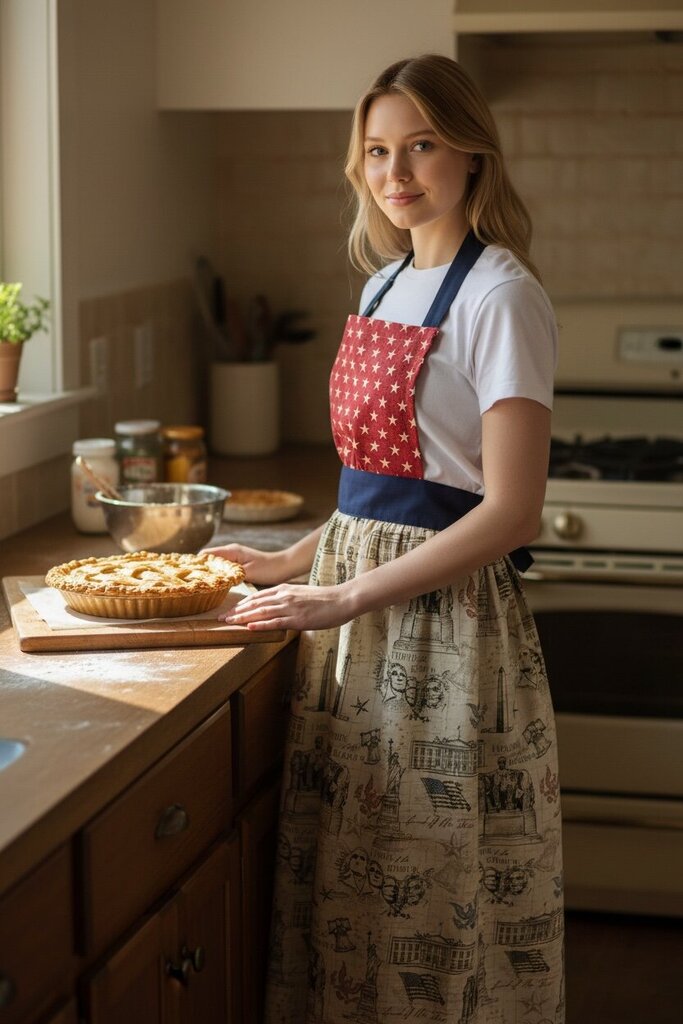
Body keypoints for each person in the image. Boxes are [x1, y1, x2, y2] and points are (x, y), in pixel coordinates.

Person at [209, 52, 564, 1024]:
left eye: (421, 146)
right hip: (354, 618)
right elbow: (381, 489)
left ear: (471, 155)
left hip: (441, 628)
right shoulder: (378, 288)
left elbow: (508, 511)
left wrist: (345, 594)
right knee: (356, 884)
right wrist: (294, 560)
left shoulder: (500, 297)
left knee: (435, 887)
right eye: (375, 151)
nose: (395, 173)